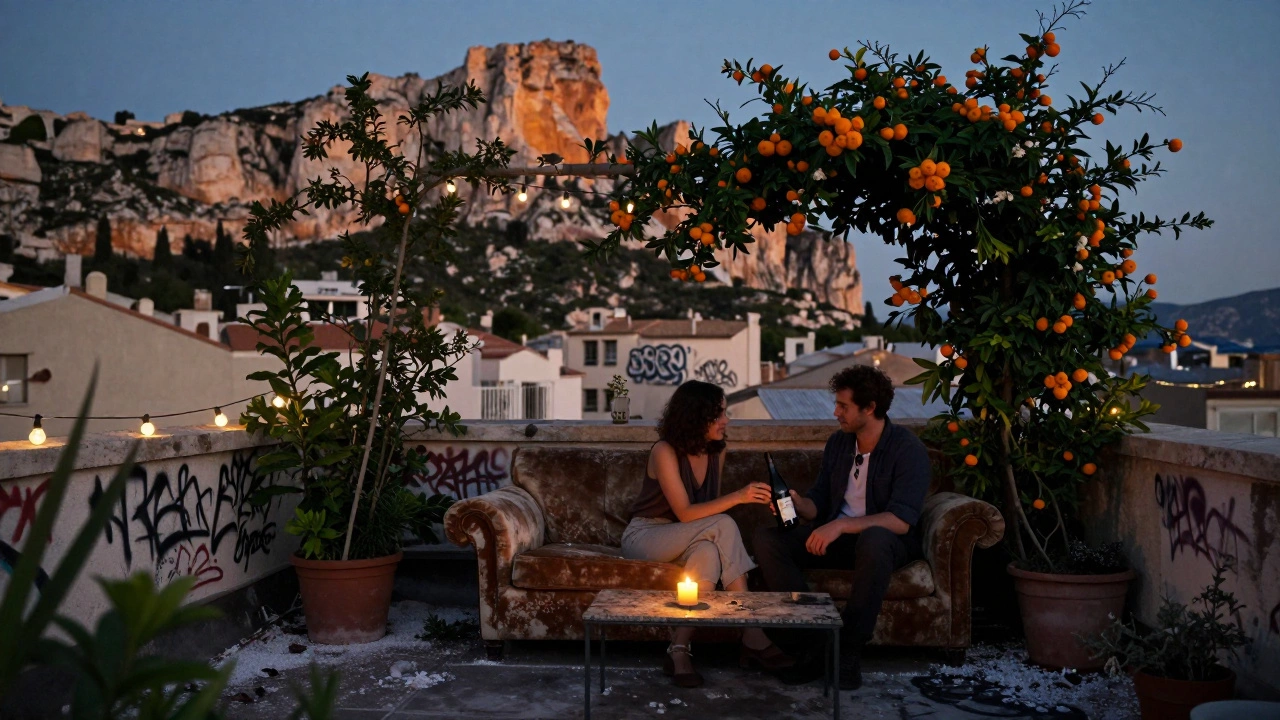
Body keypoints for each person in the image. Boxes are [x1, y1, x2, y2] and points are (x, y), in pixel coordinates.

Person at [753, 365, 931, 691]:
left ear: (870, 408)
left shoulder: (907, 450)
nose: (835, 412)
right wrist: (797, 503)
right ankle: (816, 645)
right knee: (767, 539)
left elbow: (901, 520)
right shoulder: (839, 443)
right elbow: (819, 499)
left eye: (843, 406)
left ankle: (848, 649)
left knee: (876, 538)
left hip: (885, 545)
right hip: (839, 539)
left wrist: (843, 525)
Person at [622, 380, 795, 687]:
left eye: (724, 413)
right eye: (718, 415)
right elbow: (687, 512)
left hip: (693, 536)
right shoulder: (664, 451)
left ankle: (678, 651)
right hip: (648, 535)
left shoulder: (718, 451)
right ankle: (751, 631)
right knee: (724, 524)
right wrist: (739, 496)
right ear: (695, 416)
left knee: (709, 553)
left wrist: (727, 509)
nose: (725, 421)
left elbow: (706, 511)